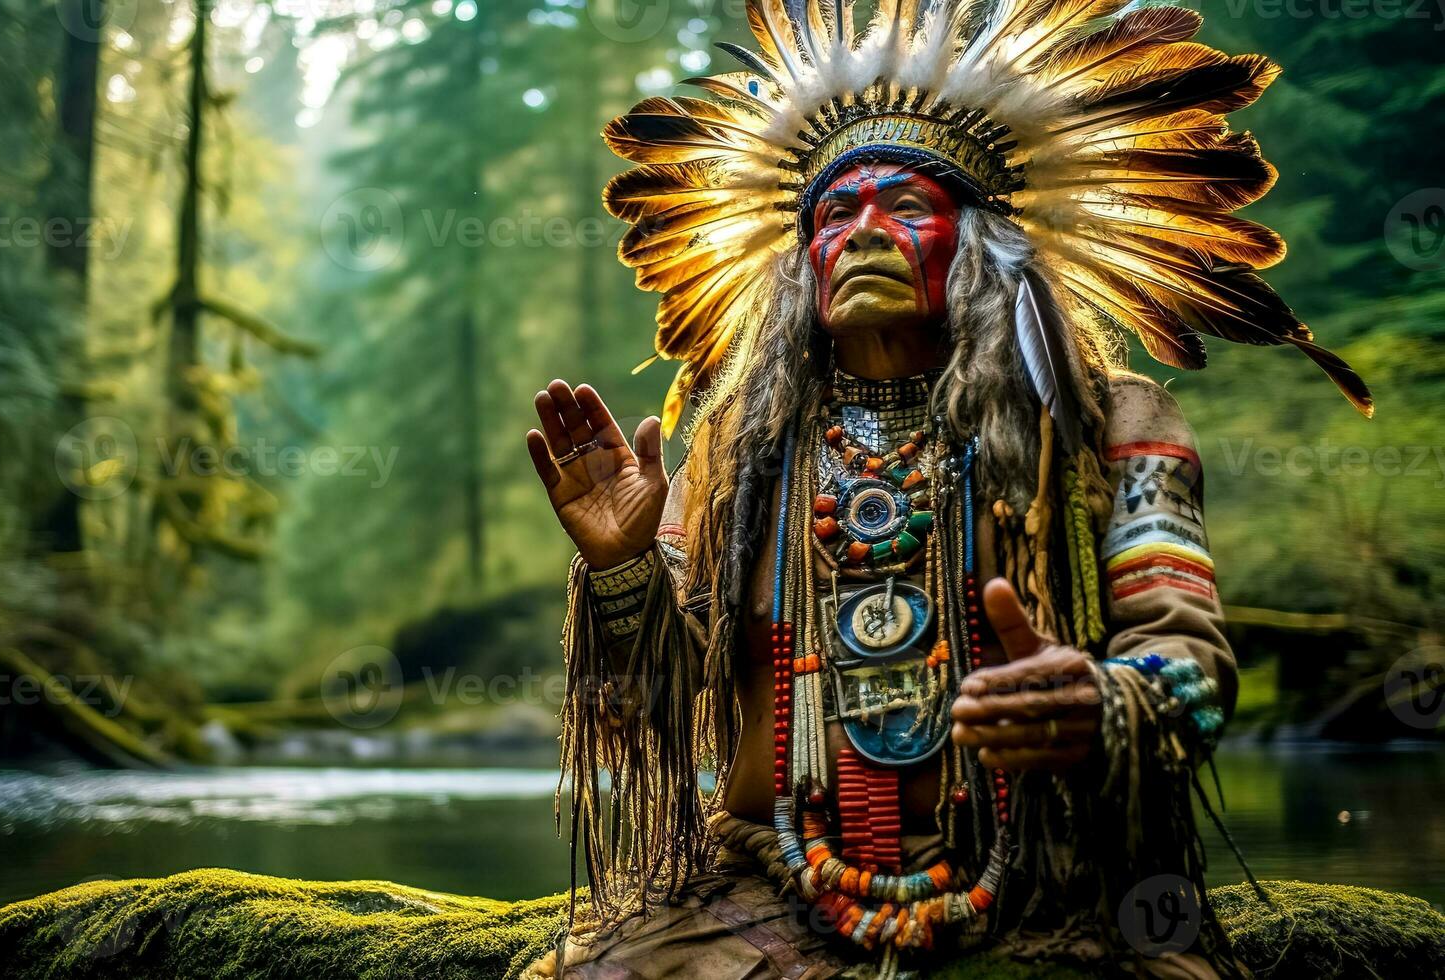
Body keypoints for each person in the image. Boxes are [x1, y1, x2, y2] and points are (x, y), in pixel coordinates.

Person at [524, 1, 1372, 977]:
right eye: (837, 213)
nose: (865, 231)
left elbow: (1194, 667)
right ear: (804, 262)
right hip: (764, 891)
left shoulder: (1112, 425)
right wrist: (623, 566)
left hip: (1052, 887)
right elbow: (645, 713)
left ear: (984, 250)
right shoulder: (732, 457)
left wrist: (1102, 703)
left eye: (909, 206)